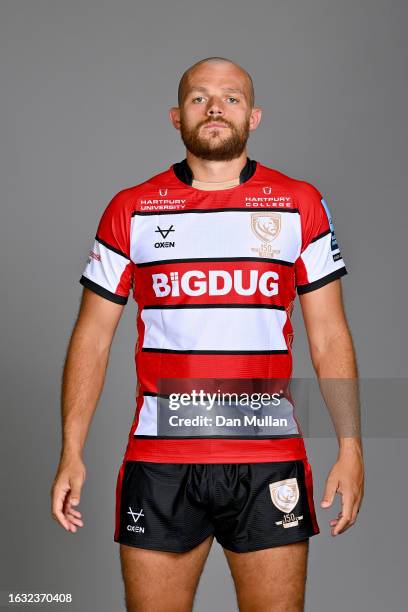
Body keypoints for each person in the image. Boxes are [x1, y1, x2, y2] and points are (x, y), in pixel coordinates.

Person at [51, 56, 365, 611]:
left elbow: (330, 336)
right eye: (200, 98)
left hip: (267, 456)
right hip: (160, 461)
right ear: (177, 117)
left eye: (231, 97)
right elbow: (92, 339)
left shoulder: (300, 204)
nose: (215, 107)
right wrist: (71, 450)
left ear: (254, 116)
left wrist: (351, 444)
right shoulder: (132, 209)